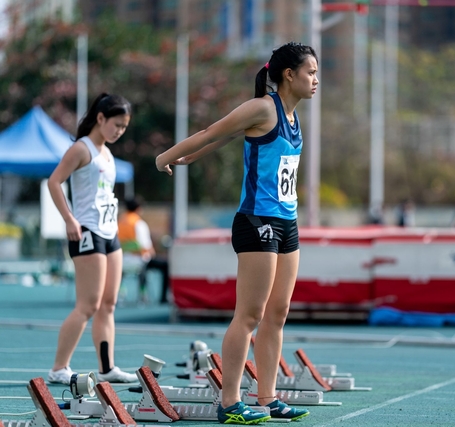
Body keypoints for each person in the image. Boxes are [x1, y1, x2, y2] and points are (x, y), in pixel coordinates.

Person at [155, 42, 316, 424]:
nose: (316, 80)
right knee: (250, 314)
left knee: (278, 313)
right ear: (289, 74)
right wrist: (166, 156)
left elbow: (234, 137)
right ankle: (229, 402)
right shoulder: (263, 106)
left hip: (287, 223)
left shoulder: (292, 117)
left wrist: (193, 158)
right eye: (310, 72)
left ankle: (268, 397)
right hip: (256, 222)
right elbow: (215, 130)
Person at [47, 93, 137, 384]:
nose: (119, 131)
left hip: (109, 233)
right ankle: (59, 367)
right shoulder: (81, 149)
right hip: (87, 231)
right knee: (87, 304)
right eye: (116, 125)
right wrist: (69, 219)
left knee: (109, 303)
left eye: (124, 127)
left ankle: (107, 368)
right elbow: (54, 181)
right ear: (100, 118)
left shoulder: (107, 153)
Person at [118, 197, 170, 304]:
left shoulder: (119, 222)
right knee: (166, 265)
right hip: (139, 261)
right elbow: (145, 247)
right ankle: (163, 298)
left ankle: (122, 294)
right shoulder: (139, 224)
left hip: (121, 260)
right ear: (138, 208)